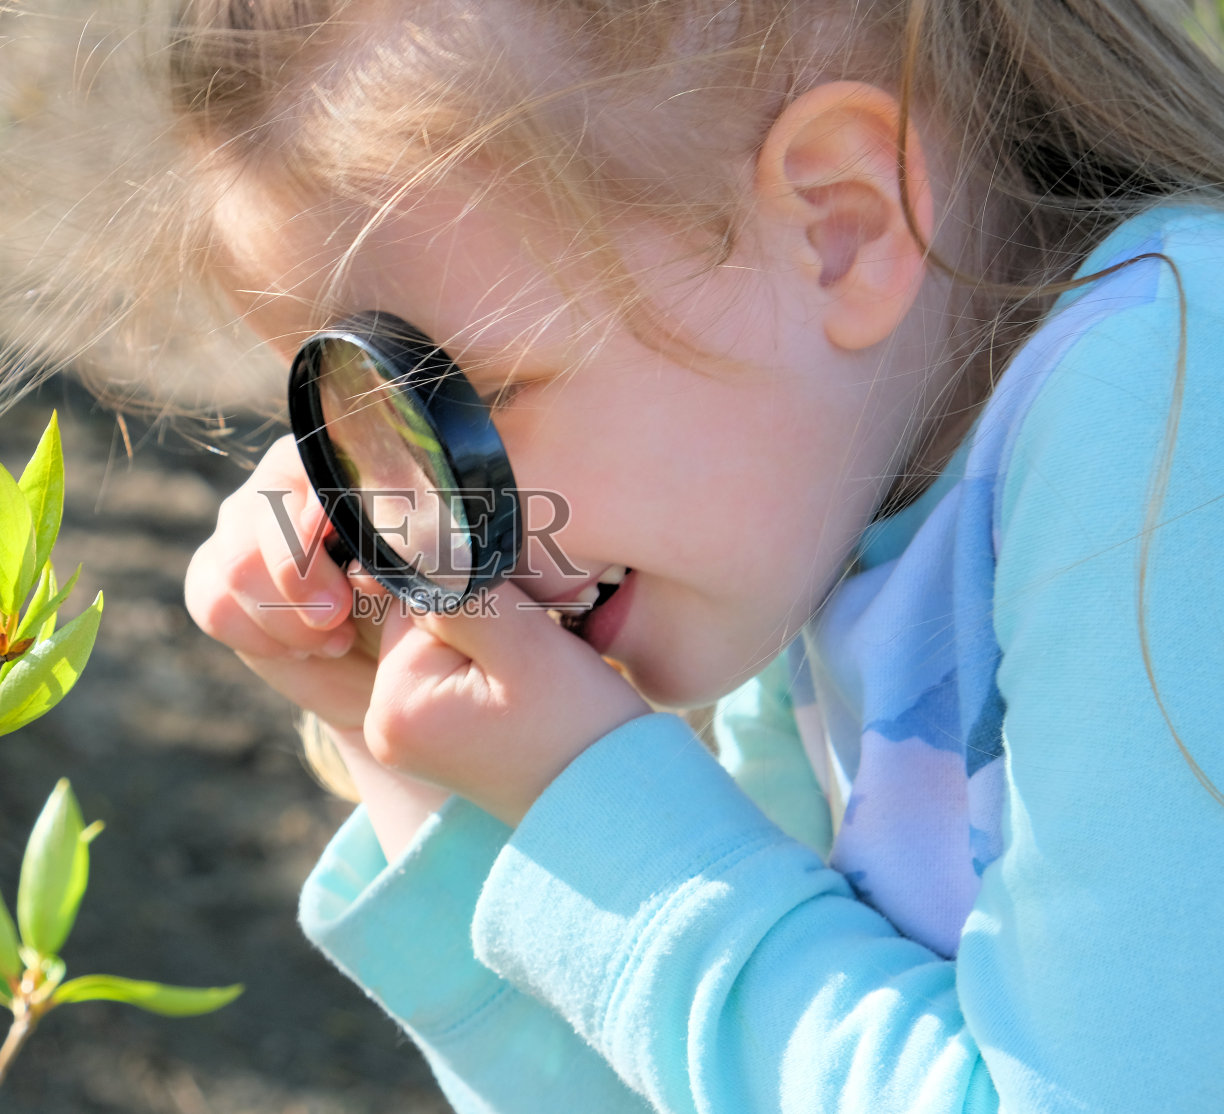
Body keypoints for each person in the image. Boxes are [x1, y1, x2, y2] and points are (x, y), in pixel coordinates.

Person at [175, 0, 1224, 1109]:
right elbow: (702, 1081)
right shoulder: (817, 523)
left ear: (841, 225)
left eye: (474, 404)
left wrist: (592, 800)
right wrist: (417, 754)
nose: (420, 531)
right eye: (366, 442)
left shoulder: (1166, 402)